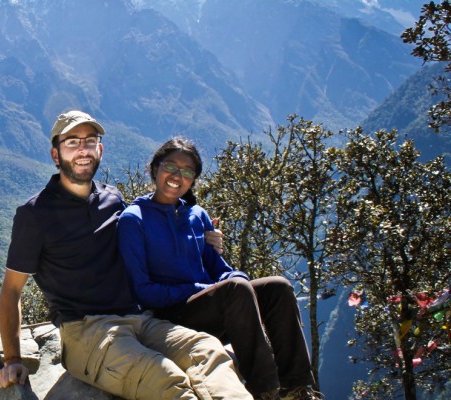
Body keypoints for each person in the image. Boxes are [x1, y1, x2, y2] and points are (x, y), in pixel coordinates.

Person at [0, 111, 252, 399]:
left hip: (139, 319)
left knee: (209, 352)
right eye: (72, 142)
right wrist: (12, 360)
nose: (83, 150)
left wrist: (201, 236)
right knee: (166, 379)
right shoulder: (34, 215)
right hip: (86, 330)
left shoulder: (113, 199)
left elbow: (149, 235)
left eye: (90, 142)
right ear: (56, 155)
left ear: (100, 150)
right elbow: (12, 291)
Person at [116, 137, 322, 400]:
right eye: (171, 166)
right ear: (155, 168)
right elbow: (142, 291)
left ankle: (296, 388)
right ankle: (265, 390)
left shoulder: (196, 215)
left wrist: (236, 278)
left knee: (277, 287)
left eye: (187, 171)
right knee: (234, 290)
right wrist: (207, 288)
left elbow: (220, 269)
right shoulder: (134, 220)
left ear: (193, 180)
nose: (177, 176)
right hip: (170, 317)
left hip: (212, 307)